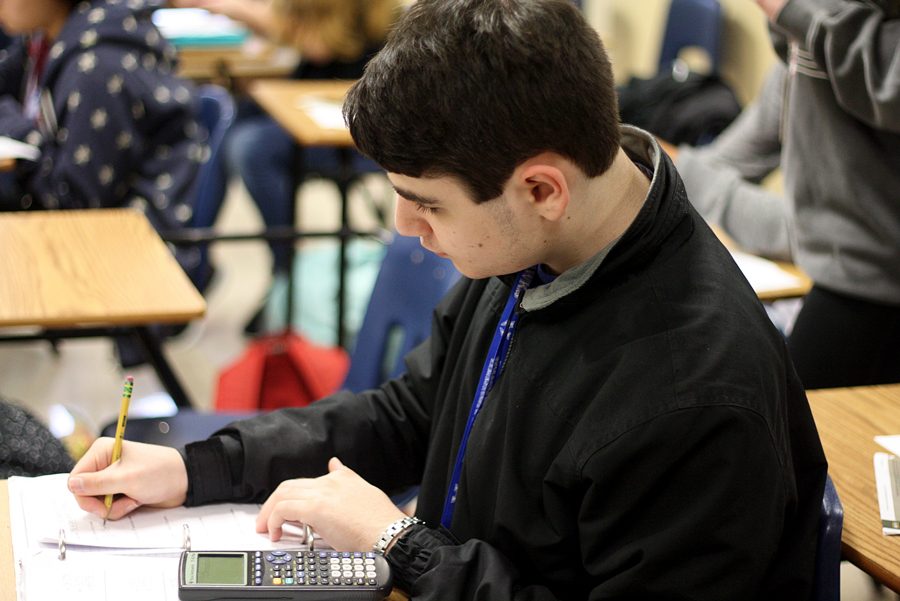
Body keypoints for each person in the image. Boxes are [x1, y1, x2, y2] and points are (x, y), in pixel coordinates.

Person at [68, 1, 827, 599]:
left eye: (425, 203)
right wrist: (196, 468)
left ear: (541, 188)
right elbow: (413, 412)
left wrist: (400, 545)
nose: (405, 227)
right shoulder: (543, 244)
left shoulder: (697, 399)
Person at [669, 0, 900, 389]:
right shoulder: (805, 47)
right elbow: (722, 164)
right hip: (843, 282)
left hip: (869, 294)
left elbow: (810, 229)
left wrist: (793, 9)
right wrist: (666, 169)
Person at [173, 0, 404, 333]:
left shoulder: (369, 14)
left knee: (250, 149)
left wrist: (224, 7)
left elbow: (321, 43)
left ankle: (285, 269)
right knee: (236, 118)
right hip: (315, 104)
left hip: (352, 134)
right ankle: (196, 249)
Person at [0, 0, 208, 286]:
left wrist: (16, 128)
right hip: (78, 226)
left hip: (126, 257)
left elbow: (71, 204)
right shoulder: (43, 41)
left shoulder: (98, 66)